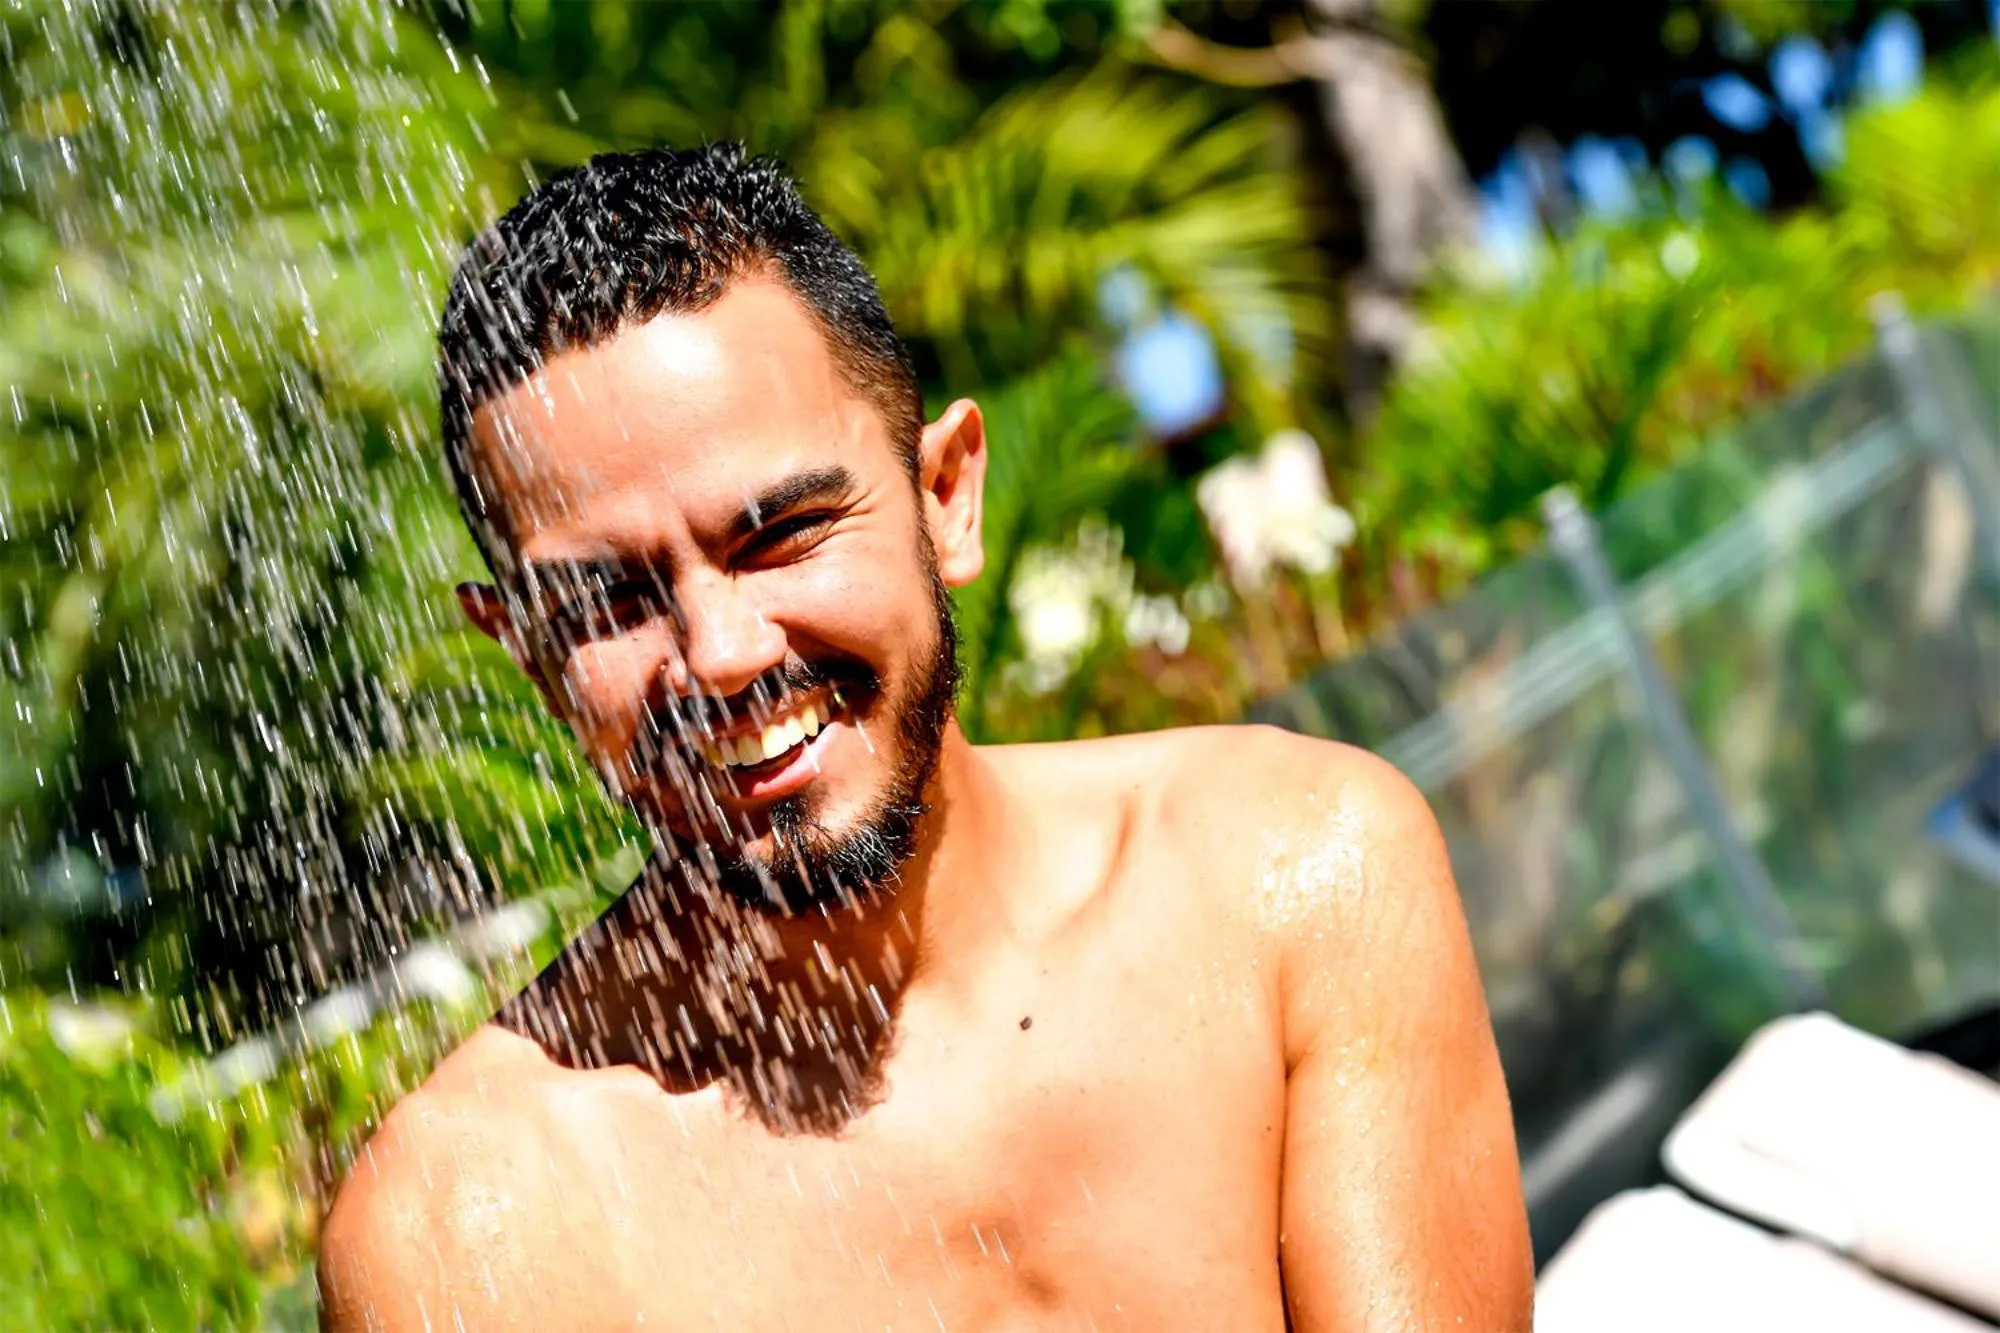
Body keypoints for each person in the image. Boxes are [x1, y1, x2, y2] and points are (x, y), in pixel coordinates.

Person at [318, 144, 1531, 1332]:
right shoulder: (472, 1227)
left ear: (944, 496)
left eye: (780, 532)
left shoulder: (1292, 881)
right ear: (529, 655)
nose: (720, 652)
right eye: (606, 601)